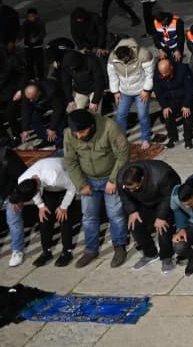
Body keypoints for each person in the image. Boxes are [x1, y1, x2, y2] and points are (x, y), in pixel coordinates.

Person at [64, 109, 130, 268]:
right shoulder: (69, 134)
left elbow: (123, 155)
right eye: (76, 133)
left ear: (91, 126)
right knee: (88, 216)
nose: (78, 136)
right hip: (88, 179)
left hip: (110, 176)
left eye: (82, 131)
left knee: (115, 213)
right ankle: (91, 250)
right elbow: (70, 162)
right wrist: (81, 184)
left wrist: (114, 180)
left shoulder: (110, 127)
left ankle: (119, 246)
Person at [117, 159, 181, 272]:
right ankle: (150, 254)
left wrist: (161, 216)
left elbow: (169, 196)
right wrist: (132, 211)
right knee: (134, 224)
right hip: (143, 202)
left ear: (142, 179)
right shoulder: (121, 178)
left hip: (163, 200)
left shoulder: (162, 175)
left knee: (163, 227)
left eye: (135, 188)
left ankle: (166, 256)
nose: (132, 190)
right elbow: (124, 197)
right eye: (129, 189)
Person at [14, 154, 77, 267]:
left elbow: (72, 187)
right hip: (47, 186)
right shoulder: (22, 180)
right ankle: (46, 252)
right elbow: (34, 193)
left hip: (65, 181)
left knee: (63, 218)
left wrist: (63, 206)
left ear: (38, 189)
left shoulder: (53, 177)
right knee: (44, 218)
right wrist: (41, 206)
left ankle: (67, 252)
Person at [107, 40, 155, 150]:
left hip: (141, 91)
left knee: (142, 115)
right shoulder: (113, 58)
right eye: (121, 61)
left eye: (125, 60)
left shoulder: (143, 54)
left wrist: (146, 90)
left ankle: (146, 139)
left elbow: (150, 75)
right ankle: (121, 140)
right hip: (124, 91)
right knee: (120, 115)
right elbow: (112, 75)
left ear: (129, 54)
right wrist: (115, 92)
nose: (123, 63)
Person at [20, 77, 66, 148]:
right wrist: (25, 129)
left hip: (58, 100)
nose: (30, 101)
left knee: (59, 119)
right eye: (29, 99)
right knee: (34, 119)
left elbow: (58, 110)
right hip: (40, 104)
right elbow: (25, 109)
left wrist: (52, 128)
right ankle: (48, 139)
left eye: (32, 98)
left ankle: (59, 140)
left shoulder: (51, 90)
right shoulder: (27, 92)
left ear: (38, 92)